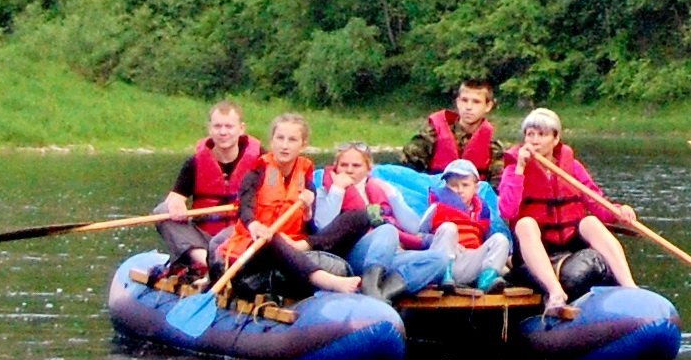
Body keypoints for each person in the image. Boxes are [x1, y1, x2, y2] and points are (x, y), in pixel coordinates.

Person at [496, 106, 640, 319]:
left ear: (555, 139)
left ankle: (629, 286)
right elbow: (507, 209)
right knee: (525, 223)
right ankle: (555, 292)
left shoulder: (572, 167)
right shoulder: (514, 170)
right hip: (536, 249)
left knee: (589, 222)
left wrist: (619, 212)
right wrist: (519, 170)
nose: (534, 140)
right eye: (530, 134)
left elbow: (596, 202)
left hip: (569, 244)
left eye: (542, 135)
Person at [217, 112, 362, 301]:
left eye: (292, 140)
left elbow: (311, 228)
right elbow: (245, 209)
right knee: (271, 237)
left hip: (293, 248)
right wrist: (255, 226)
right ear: (272, 141)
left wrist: (309, 211)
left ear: (303, 144)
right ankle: (327, 281)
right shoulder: (256, 172)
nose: (284, 145)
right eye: (280, 138)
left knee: (359, 216)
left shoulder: (306, 181)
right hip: (255, 248)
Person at [156, 101, 263, 280]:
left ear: (241, 129)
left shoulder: (261, 160)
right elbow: (175, 198)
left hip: (242, 237)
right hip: (204, 242)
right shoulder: (195, 163)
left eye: (229, 126)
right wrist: (176, 204)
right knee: (162, 211)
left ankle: (229, 264)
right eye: (217, 126)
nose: (223, 132)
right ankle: (212, 265)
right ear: (210, 129)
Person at [312, 143, 423, 301]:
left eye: (356, 165)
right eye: (344, 165)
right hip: (352, 253)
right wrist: (337, 190)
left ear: (368, 168)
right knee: (387, 230)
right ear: (336, 167)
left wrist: (391, 195)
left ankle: (382, 294)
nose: (349, 170)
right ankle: (371, 288)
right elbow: (322, 228)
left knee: (437, 259)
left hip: (388, 254)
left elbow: (413, 228)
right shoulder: (326, 191)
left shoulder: (382, 189)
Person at [418, 158, 507, 294]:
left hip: (469, 261)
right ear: (446, 186)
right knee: (449, 228)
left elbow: (486, 240)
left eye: (465, 185)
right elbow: (419, 233)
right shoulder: (437, 207)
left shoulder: (482, 211)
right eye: (454, 185)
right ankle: (444, 276)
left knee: (500, 239)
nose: (459, 190)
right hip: (443, 260)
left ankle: (486, 279)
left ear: (476, 188)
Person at [406, 77, 500, 174]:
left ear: (488, 106)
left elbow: (498, 182)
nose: (468, 107)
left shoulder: (493, 146)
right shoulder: (433, 134)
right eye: (464, 100)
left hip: (475, 188)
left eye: (476, 102)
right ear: (458, 102)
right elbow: (407, 167)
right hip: (435, 186)